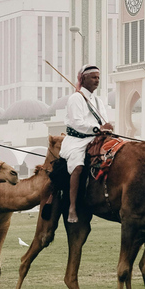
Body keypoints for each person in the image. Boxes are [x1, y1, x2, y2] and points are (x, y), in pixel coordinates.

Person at [59, 64, 112, 223]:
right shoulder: (76, 98)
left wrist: (107, 128)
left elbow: (103, 120)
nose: (97, 80)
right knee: (78, 166)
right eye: (93, 77)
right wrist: (98, 128)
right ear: (83, 79)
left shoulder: (98, 100)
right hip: (77, 141)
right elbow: (77, 123)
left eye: (98, 78)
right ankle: (73, 207)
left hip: (96, 138)